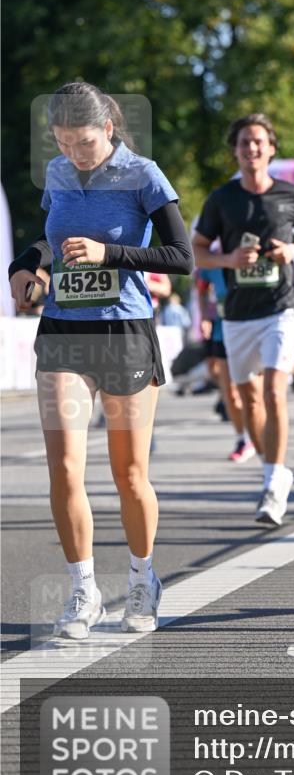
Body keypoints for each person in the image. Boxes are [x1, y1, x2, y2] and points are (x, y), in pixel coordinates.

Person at [7, 82, 193, 638]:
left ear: (108, 130)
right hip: (64, 332)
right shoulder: (61, 174)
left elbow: (181, 256)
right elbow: (50, 239)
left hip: (124, 333)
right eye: (63, 143)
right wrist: (25, 265)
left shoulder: (144, 174)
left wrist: (109, 252)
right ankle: (83, 590)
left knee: (129, 474)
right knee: (64, 467)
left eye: (83, 142)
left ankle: (142, 579)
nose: (73, 154)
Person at [193, 113, 294, 526]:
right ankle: (277, 469)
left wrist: (293, 252)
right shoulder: (221, 199)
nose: (251, 148)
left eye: (259, 142)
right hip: (238, 311)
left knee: (274, 391)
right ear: (235, 150)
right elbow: (196, 250)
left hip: (283, 305)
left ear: (271, 148)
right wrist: (228, 259)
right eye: (244, 142)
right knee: (247, 400)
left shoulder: (290, 195)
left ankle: (270, 485)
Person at [197, 264, 256, 462]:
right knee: (230, 392)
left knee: (253, 391)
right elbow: (202, 288)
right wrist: (205, 316)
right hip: (222, 331)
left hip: (251, 329)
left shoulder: (246, 252)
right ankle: (243, 439)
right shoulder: (211, 261)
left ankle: (258, 432)